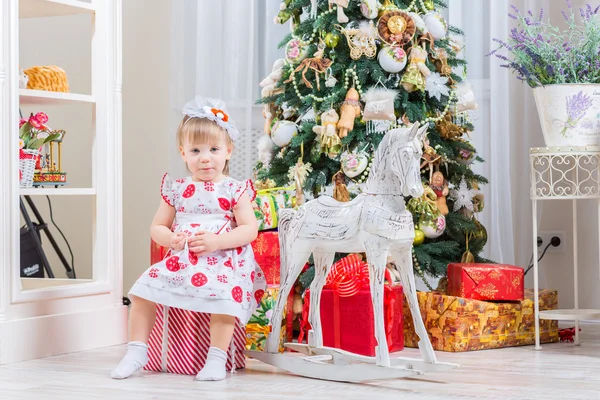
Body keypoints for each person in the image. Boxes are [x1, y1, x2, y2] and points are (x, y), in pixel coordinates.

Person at [111, 96, 266, 381]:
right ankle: (136, 351)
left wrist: (218, 242)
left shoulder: (235, 188)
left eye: (214, 149)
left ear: (228, 151)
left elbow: (249, 229)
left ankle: (217, 358)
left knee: (224, 298)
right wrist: (170, 238)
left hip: (222, 262)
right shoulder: (177, 188)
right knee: (141, 291)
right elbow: (157, 226)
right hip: (182, 259)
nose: (205, 157)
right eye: (195, 150)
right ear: (183, 153)